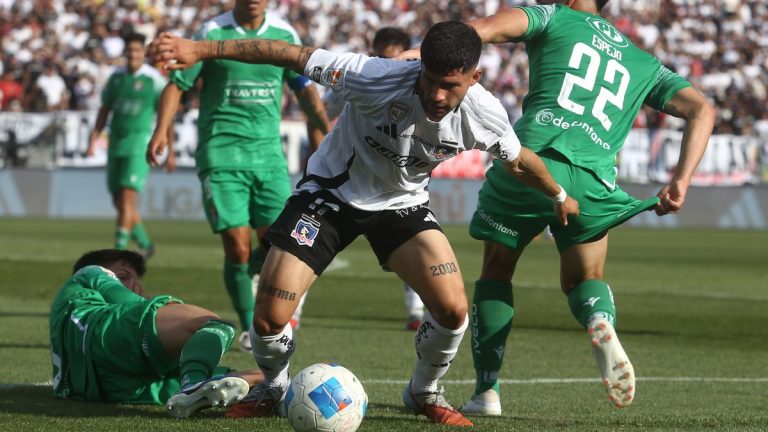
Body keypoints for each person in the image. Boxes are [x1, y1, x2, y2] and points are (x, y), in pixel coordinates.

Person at [149, 20, 579, 426]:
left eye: (450, 86)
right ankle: (273, 389)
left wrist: (559, 195)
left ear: (475, 77)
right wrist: (200, 49)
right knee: (268, 317)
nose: (437, 96)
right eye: (429, 80)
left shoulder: (485, 113)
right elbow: (287, 53)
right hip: (329, 196)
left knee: (452, 310)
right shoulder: (374, 76)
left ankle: (424, 391)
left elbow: (519, 161)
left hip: (401, 206)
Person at [458, 0, 716, 415]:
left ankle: (486, 393)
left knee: (497, 270)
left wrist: (416, 57)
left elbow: (477, 31)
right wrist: (681, 180)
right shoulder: (642, 60)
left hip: (533, 161)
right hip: (594, 180)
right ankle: (599, 320)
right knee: (585, 279)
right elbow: (704, 109)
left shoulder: (552, 16)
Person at [146, 0, 330, 350]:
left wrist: (325, 128)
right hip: (221, 154)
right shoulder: (211, 33)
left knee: (276, 244)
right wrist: (160, 131)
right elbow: (177, 84)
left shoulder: (283, 34)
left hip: (268, 158)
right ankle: (251, 327)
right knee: (237, 246)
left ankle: (268, 302)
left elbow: (305, 89)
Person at [49, 249, 265, 419]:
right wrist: (163, 307)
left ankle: (273, 389)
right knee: (215, 325)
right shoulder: (88, 271)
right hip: (101, 333)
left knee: (260, 381)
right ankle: (193, 383)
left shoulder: (61, 317)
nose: (136, 286)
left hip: (99, 389)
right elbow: (128, 301)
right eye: (123, 276)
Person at [308, 26, 425, 331]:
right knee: (309, 248)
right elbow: (320, 113)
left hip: (396, 184)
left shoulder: (419, 84)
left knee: (410, 254)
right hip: (346, 182)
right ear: (375, 52)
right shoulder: (358, 78)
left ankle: (416, 312)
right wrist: (322, 150)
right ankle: (293, 314)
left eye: (394, 56)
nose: (389, 62)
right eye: (383, 55)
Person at [87, 32, 169, 258]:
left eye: (137, 50)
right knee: (119, 201)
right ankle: (145, 244)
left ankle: (119, 252)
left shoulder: (154, 80)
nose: (133, 54)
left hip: (139, 144)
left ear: (144, 53)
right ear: (125, 53)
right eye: (129, 50)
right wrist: (95, 136)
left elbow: (166, 112)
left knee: (127, 197)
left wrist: (165, 142)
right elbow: (105, 110)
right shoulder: (115, 78)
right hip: (116, 144)